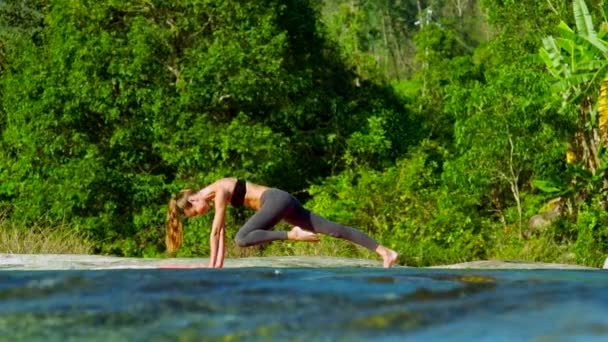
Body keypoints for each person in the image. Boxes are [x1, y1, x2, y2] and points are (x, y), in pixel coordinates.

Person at [166, 177, 399, 268]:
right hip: (282, 201)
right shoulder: (216, 193)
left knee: (242, 238)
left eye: (195, 212)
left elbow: (216, 231)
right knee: (333, 229)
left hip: (275, 201)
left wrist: (212, 269)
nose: (199, 214)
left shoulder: (219, 190)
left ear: (194, 199)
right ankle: (385, 252)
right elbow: (220, 231)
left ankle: (293, 234)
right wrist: (215, 267)